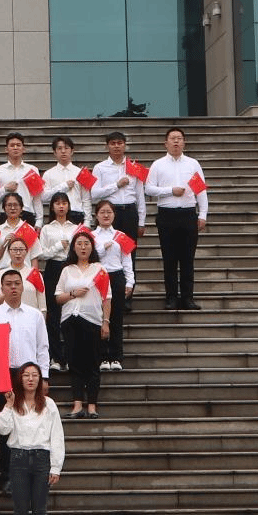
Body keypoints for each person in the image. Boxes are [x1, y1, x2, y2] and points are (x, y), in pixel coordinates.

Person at [0, 269, 50, 494]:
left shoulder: (34, 315)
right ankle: (8, 477)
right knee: (6, 428)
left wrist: (44, 377)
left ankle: (30, 476)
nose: (13, 288)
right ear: (1, 288)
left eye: (17, 284)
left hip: (28, 375)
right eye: (8, 284)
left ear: (22, 287)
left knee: (30, 425)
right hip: (2, 375)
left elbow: (42, 347)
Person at [0, 361, 64, 515]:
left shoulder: (49, 404)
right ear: (20, 379)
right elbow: (0, 428)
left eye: (34, 375)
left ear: (40, 379)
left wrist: (56, 467)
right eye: (26, 375)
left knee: (40, 510)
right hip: (19, 458)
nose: (30, 379)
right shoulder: (14, 403)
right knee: (20, 510)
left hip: (42, 459)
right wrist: (8, 405)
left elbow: (57, 436)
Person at [145, 127, 208, 310]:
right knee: (169, 259)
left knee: (188, 259)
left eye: (179, 138)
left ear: (184, 142)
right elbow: (149, 189)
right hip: (167, 215)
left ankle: (188, 297)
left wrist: (202, 214)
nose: (176, 142)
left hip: (188, 214)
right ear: (165, 143)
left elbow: (201, 191)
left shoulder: (192, 164)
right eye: (172, 138)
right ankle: (171, 297)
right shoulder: (158, 165)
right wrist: (170, 191)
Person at [54, 230, 111, 418]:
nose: (83, 247)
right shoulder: (67, 270)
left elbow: (107, 298)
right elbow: (58, 297)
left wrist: (106, 322)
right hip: (70, 320)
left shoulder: (99, 269)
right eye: (79, 244)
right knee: (74, 362)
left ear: (92, 247)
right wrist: (73, 294)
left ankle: (92, 405)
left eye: (86, 243)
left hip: (92, 320)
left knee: (93, 363)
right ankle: (77, 405)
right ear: (73, 248)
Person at [90, 132, 145, 311]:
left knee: (129, 254)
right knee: (104, 252)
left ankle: (127, 296)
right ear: (107, 146)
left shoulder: (133, 167)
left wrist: (142, 221)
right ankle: (103, 294)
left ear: (125, 145)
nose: (116, 146)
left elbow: (140, 196)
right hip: (108, 214)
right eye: (113, 143)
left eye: (120, 143)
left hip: (129, 213)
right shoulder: (100, 168)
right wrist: (116, 185)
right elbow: (94, 194)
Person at [91, 200, 134, 371]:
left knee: (116, 317)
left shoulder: (120, 235)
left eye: (109, 212)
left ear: (114, 215)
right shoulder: (91, 236)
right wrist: (103, 248)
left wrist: (130, 281)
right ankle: (102, 356)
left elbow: (127, 260)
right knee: (99, 316)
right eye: (102, 212)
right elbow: (90, 257)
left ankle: (116, 356)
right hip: (98, 276)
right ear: (96, 215)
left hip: (116, 276)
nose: (106, 215)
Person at [39, 192, 78, 372]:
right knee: (53, 314)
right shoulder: (47, 229)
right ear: (52, 207)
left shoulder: (75, 228)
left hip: (71, 268)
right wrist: (58, 246)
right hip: (53, 268)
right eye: (57, 203)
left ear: (68, 206)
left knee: (71, 312)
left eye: (64, 203)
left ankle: (71, 357)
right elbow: (42, 254)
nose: (61, 206)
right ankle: (55, 356)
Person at [0, 132, 42, 226]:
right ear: (6, 149)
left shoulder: (32, 170)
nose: (15, 148)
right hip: (5, 214)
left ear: (23, 149)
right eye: (12, 145)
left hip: (27, 214)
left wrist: (39, 220)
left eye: (18, 145)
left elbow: (37, 197)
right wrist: (5, 189)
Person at [42, 136, 92, 226]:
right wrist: (63, 186)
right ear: (54, 152)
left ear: (72, 151)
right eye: (59, 148)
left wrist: (87, 221)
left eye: (66, 148)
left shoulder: (81, 173)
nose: (63, 151)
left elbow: (86, 198)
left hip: (77, 214)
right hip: (56, 216)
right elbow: (44, 197)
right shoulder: (48, 174)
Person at [0, 238, 47, 317]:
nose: (18, 253)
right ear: (9, 252)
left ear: (26, 252)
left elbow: (42, 305)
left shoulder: (34, 274)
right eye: (14, 250)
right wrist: (7, 295)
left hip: (30, 317)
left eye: (21, 250)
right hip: (6, 318)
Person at [0, 193, 43, 271]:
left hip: (24, 273)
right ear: (4, 209)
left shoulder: (29, 229)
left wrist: (34, 275)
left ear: (21, 208)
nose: (12, 208)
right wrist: (5, 244)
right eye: (9, 205)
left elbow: (34, 257)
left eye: (16, 205)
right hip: (3, 272)